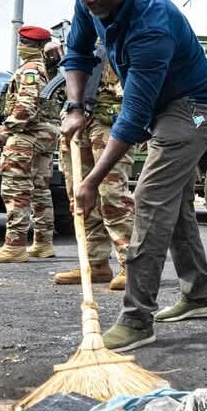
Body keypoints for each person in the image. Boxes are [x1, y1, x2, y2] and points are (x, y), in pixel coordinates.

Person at [60, 0, 207, 352]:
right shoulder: (89, 1)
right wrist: (76, 105)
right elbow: (77, 54)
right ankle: (200, 293)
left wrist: (91, 181)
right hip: (165, 108)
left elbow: (133, 118)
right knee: (175, 203)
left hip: (196, 109)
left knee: (152, 197)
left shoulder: (150, 24)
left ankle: (137, 319)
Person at [53, 44, 136, 290]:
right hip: (76, 121)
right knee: (79, 196)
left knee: (112, 195)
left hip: (108, 121)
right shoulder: (81, 43)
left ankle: (131, 266)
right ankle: (94, 263)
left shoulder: (124, 37)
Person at [0, 26, 59, 263]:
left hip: (27, 135)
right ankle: (43, 243)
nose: (19, 46)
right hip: (44, 136)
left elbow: (27, 105)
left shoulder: (31, 69)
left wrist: (5, 130)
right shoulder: (44, 68)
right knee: (40, 190)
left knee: (15, 189)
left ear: (28, 45)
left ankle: (15, 245)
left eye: (22, 42)